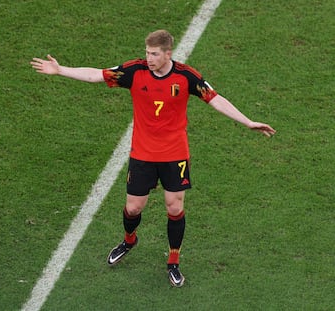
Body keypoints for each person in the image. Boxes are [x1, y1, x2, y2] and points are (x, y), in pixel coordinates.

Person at [30, 29, 276, 287]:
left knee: (174, 207)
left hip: (175, 154)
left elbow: (215, 99)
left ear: (167, 53)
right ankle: (129, 240)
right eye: (147, 52)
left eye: (154, 54)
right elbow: (96, 75)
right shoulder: (135, 72)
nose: (149, 58)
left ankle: (173, 262)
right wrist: (61, 70)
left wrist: (248, 122)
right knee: (134, 207)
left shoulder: (186, 76)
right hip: (143, 153)